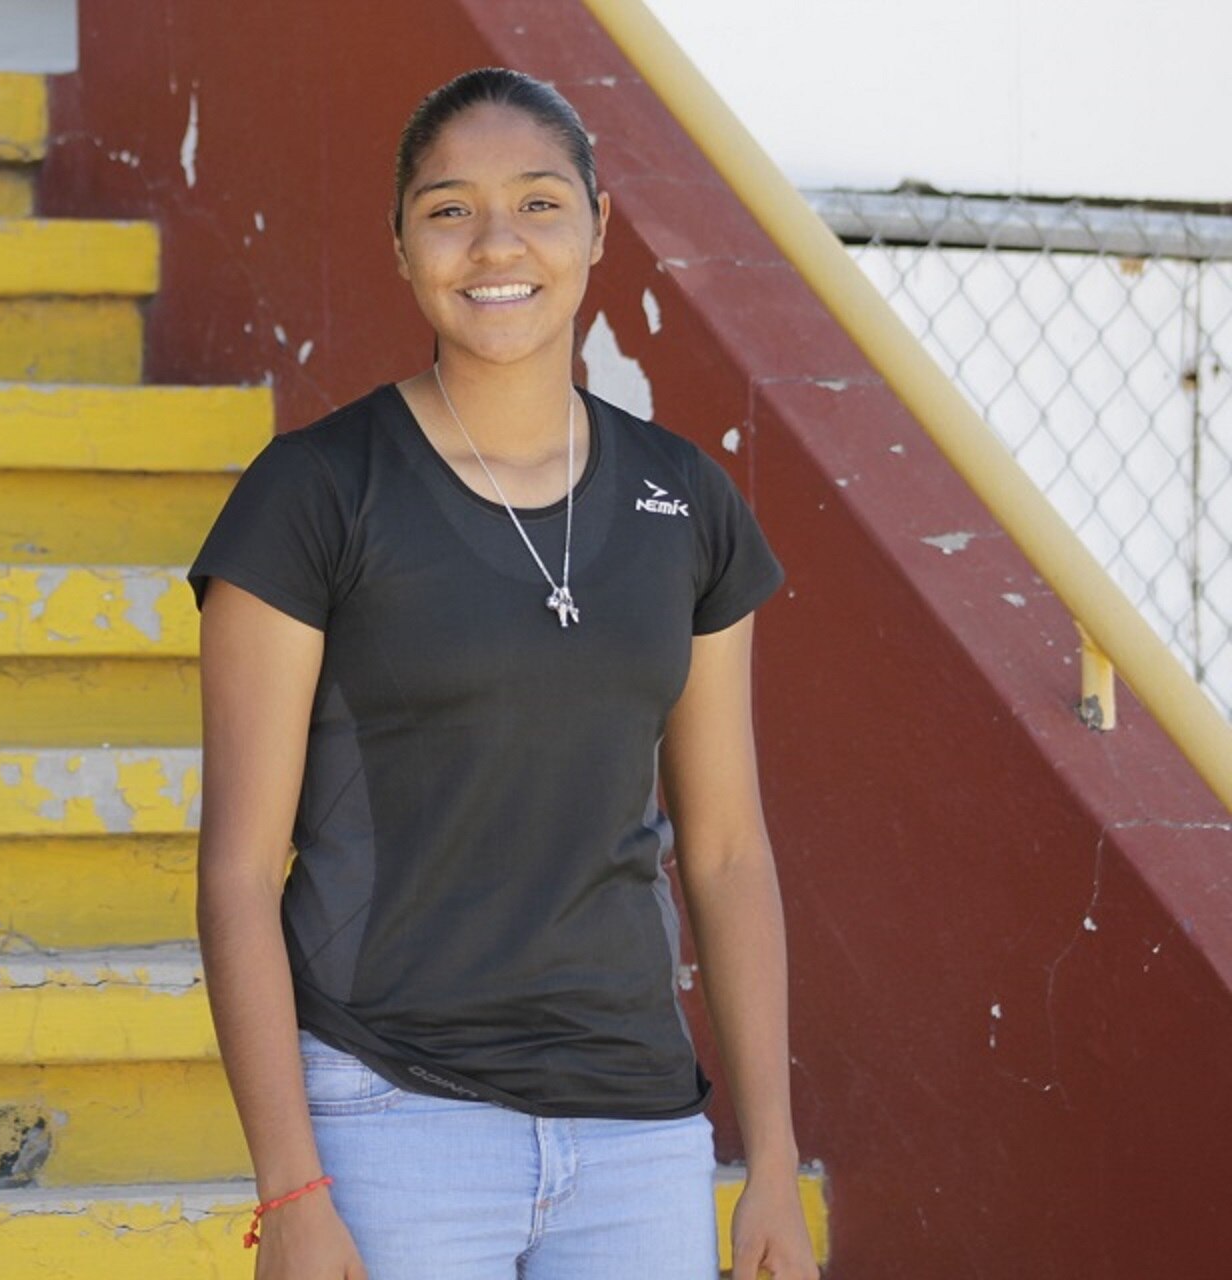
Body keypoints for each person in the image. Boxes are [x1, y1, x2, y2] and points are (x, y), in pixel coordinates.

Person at [189, 67, 819, 1280]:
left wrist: (774, 1161)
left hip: (638, 1130)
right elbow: (234, 870)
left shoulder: (687, 499)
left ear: (596, 228)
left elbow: (729, 849)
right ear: (402, 244)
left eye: (538, 203)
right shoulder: (314, 493)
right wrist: (292, 1188)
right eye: (448, 209)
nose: (495, 245)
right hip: (391, 1116)